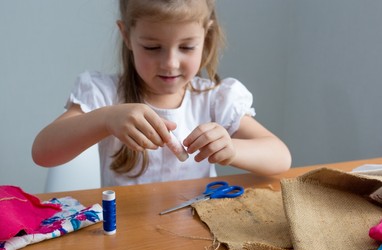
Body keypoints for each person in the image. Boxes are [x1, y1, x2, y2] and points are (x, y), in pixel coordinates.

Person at [32, 0, 291, 187]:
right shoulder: (104, 94)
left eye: (187, 47)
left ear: (206, 35)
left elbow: (281, 157)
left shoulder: (216, 98)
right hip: (127, 237)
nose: (170, 63)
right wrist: (105, 119)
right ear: (126, 35)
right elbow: (43, 152)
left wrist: (232, 149)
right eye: (153, 47)